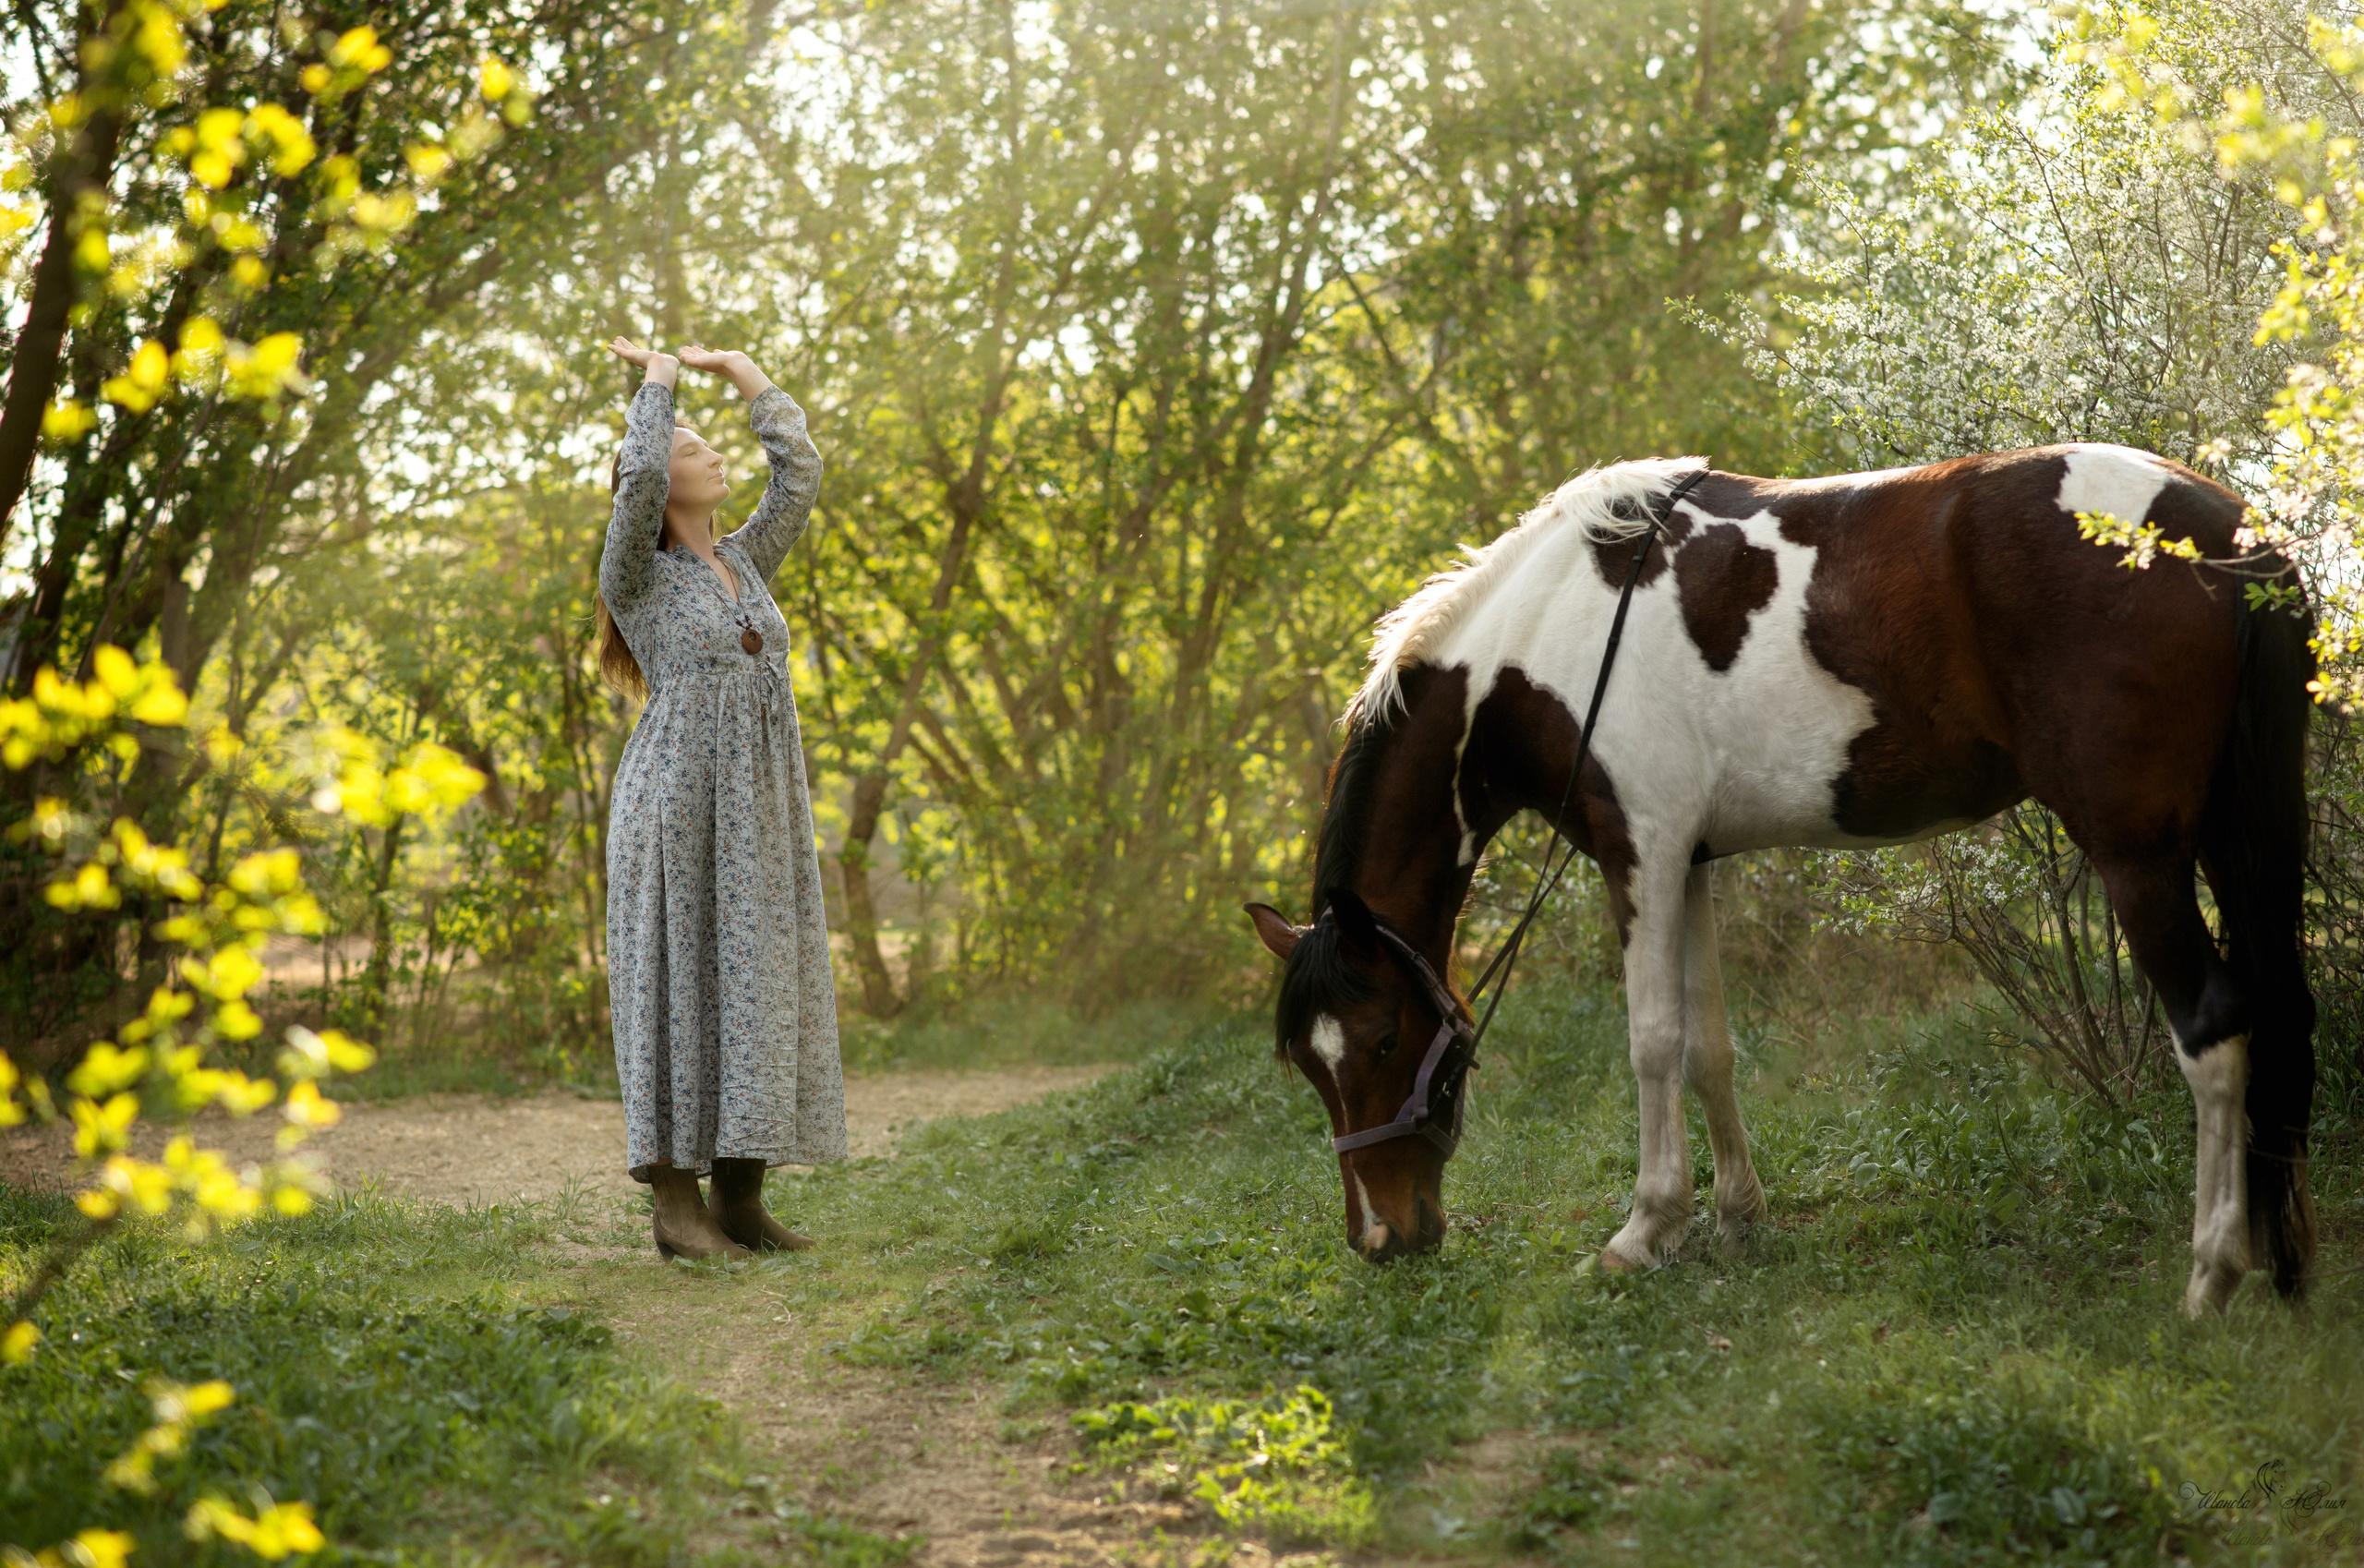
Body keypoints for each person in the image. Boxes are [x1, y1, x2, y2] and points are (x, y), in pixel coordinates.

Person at [595, 336, 846, 1260]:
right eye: (691, 447)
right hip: (676, 806)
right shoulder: (635, 573)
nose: (713, 455)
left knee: (758, 981)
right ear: (658, 478)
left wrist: (741, 371)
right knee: (676, 983)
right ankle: (675, 1207)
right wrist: (658, 380)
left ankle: (741, 1197)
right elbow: (634, 484)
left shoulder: (749, 559)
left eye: (709, 443)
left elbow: (799, 471)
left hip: (761, 811)